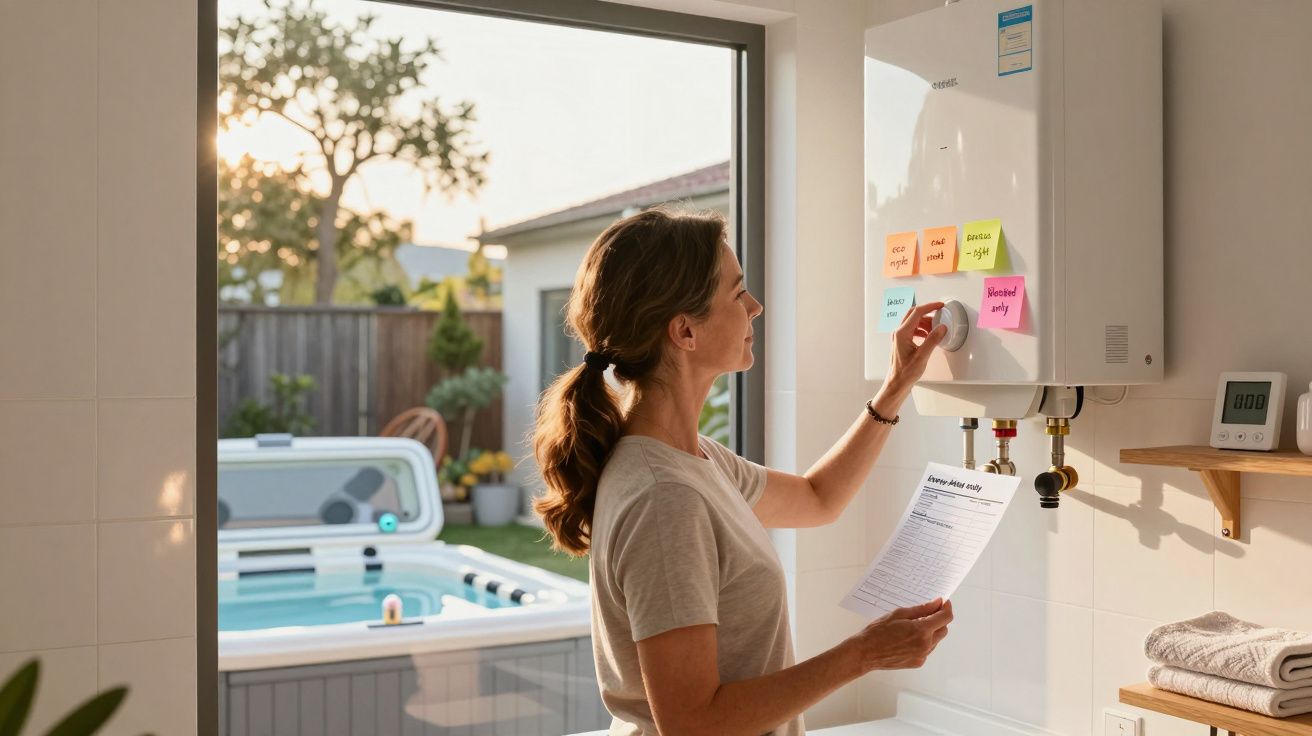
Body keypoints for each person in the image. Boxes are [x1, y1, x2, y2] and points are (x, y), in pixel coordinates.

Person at [533, 206, 952, 735]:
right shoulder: (665, 498)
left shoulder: (694, 460)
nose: (755, 307)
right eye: (737, 294)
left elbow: (819, 498)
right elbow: (693, 724)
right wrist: (863, 654)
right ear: (685, 331)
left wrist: (895, 387)